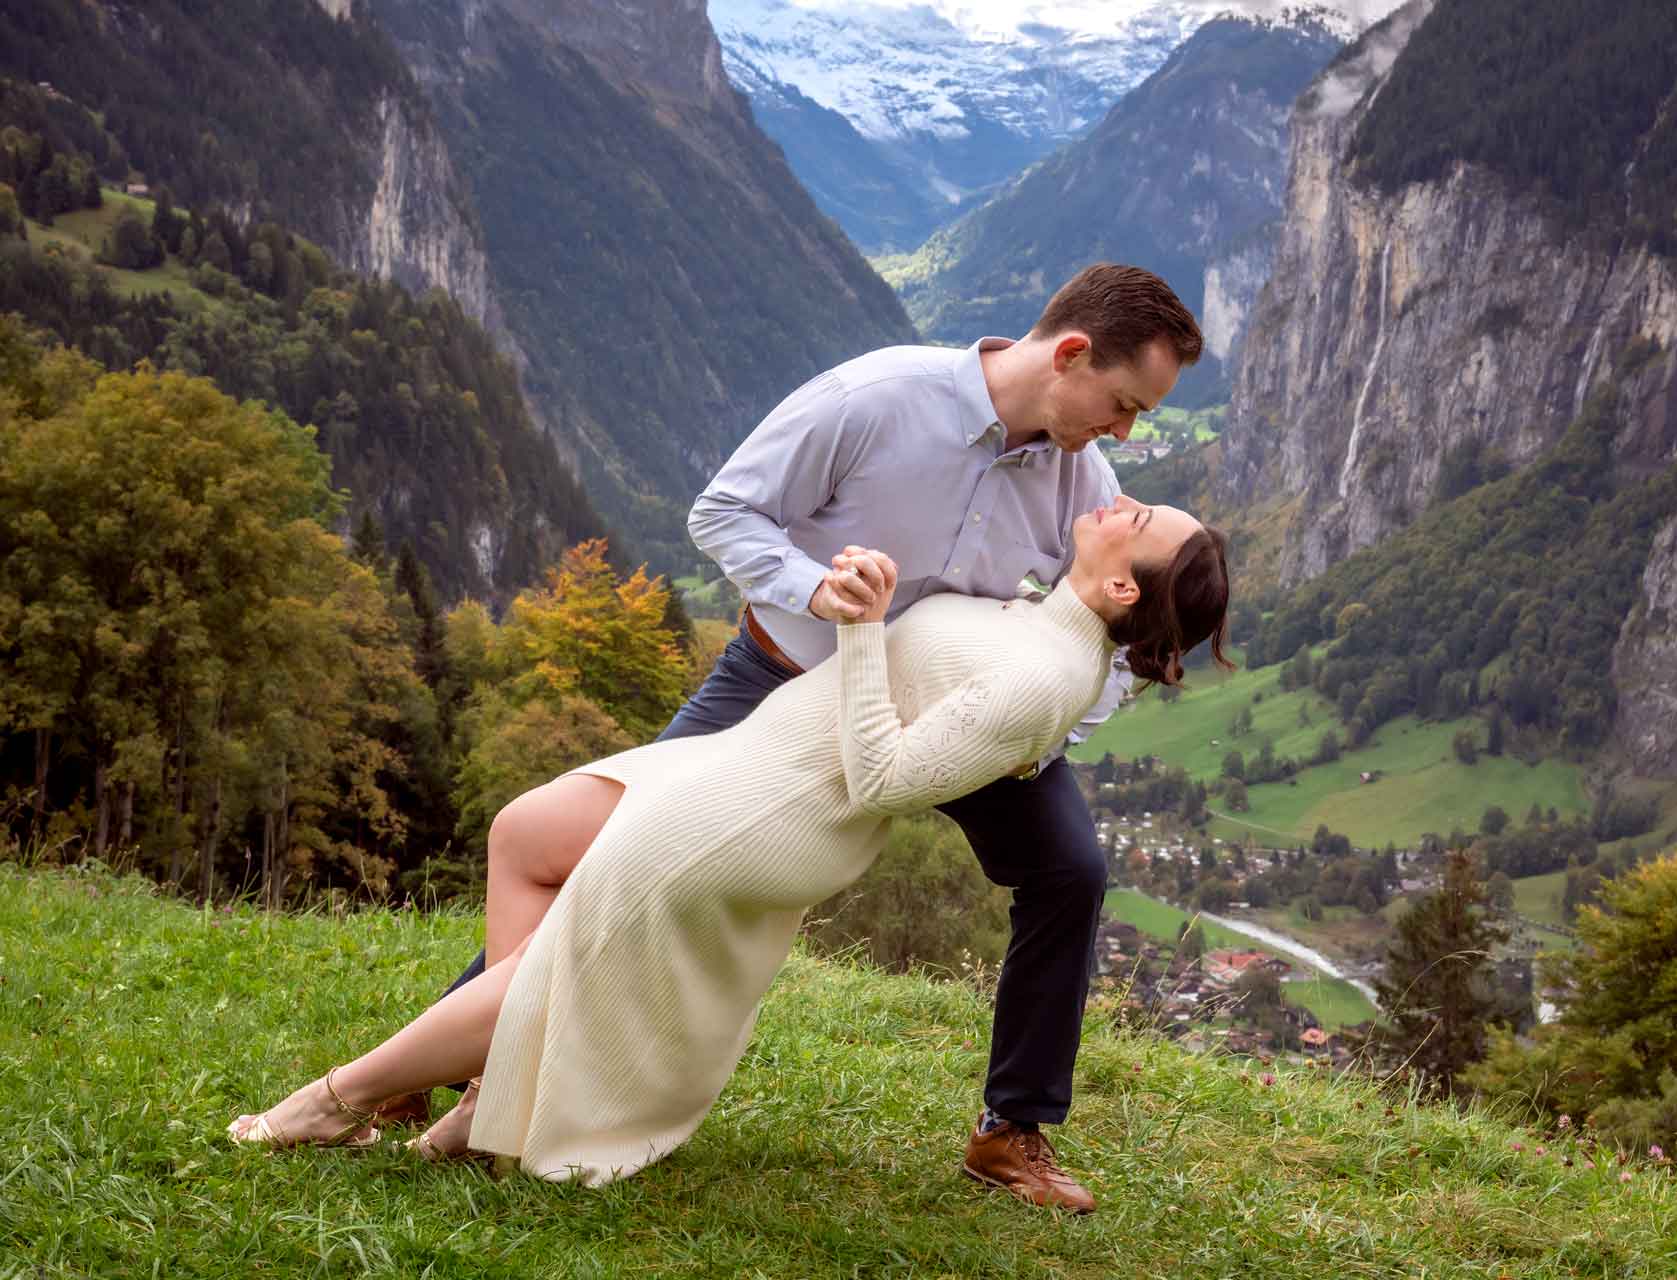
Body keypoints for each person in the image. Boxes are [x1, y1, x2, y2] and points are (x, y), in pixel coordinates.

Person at [426, 261, 1205, 1211]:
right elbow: (722, 512)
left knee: (1069, 871)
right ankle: (431, 1075)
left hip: (942, 717)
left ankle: (1012, 1134)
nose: (1124, 432)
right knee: (603, 848)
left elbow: (1115, 637)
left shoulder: (1088, 481)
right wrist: (813, 591)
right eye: (1124, 404)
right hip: (782, 679)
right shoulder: (876, 398)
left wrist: (1036, 736)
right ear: (1072, 354)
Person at [229, 497, 1232, 1202]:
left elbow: (886, 780)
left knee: (564, 949)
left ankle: (333, 1100)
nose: (1121, 499)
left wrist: (869, 629)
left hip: (770, 810)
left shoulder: (1045, 675)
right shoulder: (1044, 621)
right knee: (528, 833)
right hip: (743, 764)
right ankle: (495, 1093)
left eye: (1139, 522)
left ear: (1120, 586)